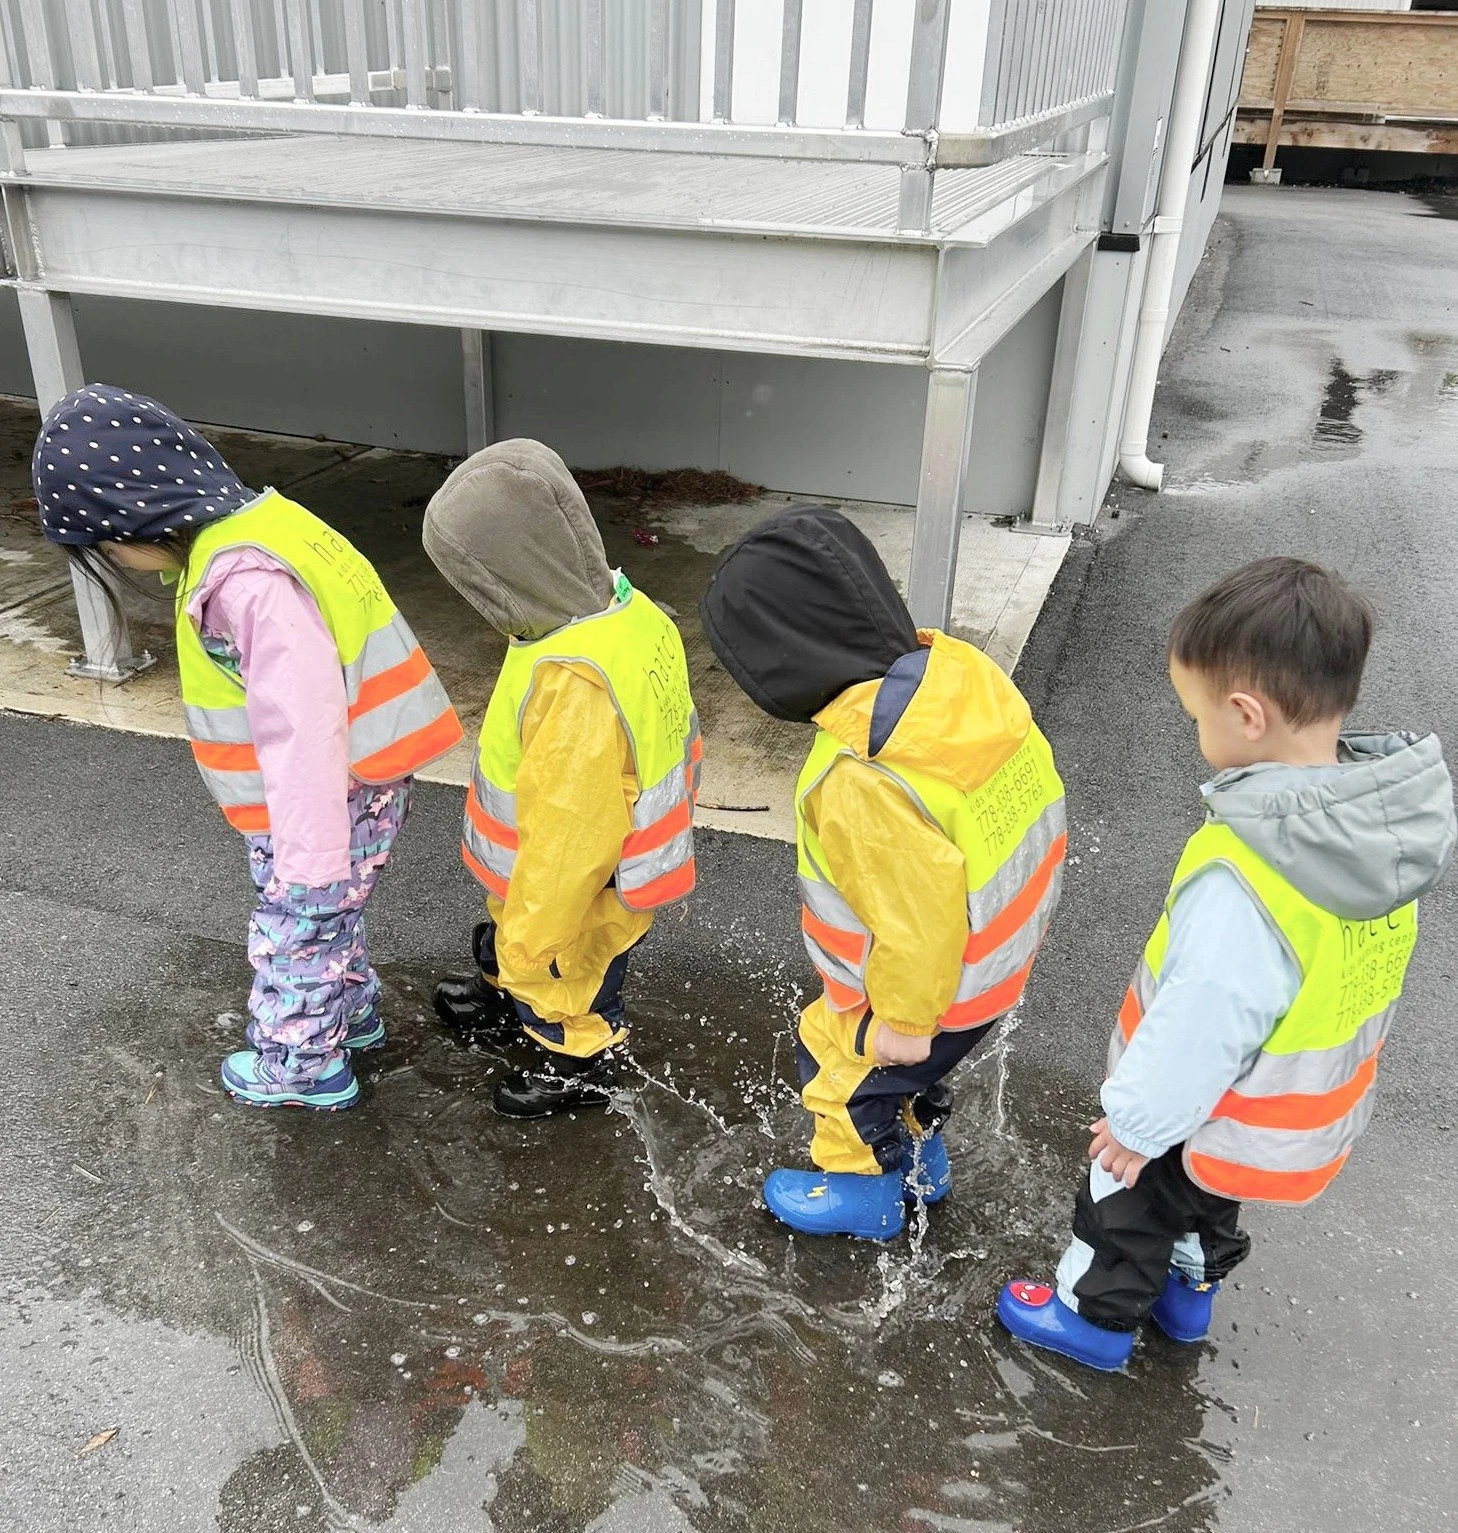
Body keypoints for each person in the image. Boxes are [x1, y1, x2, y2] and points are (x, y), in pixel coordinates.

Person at [999, 556, 1455, 1371]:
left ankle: (1090, 1320)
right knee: (1208, 1201)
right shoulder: (1373, 839)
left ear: (1246, 715)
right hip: (1279, 1113)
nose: (1194, 731)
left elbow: (1205, 1018)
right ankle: (1187, 1298)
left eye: (1195, 714)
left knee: (1125, 1198)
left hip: (1198, 1104)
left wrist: (1138, 1124)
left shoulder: (1250, 872)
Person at [32, 384, 462, 1112]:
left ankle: (301, 1065)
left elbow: (303, 728)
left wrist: (308, 853)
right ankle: (347, 1015)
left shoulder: (245, 582)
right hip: (353, 779)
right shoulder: (264, 526)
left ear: (136, 518)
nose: (115, 559)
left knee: (297, 918)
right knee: (328, 914)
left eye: (105, 545)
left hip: (324, 794)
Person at [700, 504, 1067, 1240]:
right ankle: (924, 1164)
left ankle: (866, 1194)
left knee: (842, 1072)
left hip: (930, 985)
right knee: (910, 1074)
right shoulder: (958, 685)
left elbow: (915, 917)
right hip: (993, 959)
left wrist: (901, 1019)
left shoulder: (865, 775)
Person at [425, 439, 699, 1118]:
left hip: (579, 881)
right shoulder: (625, 614)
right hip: (548, 866)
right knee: (522, 941)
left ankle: (578, 1065)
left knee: (570, 972)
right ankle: (506, 993)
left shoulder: (580, 685)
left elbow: (572, 839)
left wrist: (533, 934)